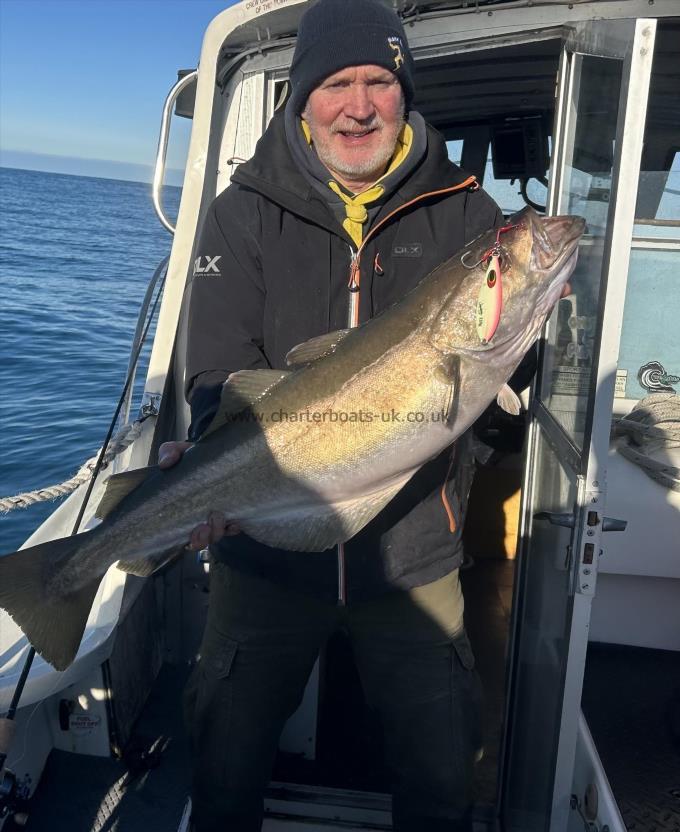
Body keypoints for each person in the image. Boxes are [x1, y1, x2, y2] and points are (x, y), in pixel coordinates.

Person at [160, 1, 506, 829]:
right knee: (226, 757)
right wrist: (210, 468)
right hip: (265, 555)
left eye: (379, 82)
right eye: (337, 83)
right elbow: (214, 375)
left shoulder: (468, 218)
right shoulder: (241, 212)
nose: (358, 106)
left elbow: (491, 382)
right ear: (303, 99)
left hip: (413, 555)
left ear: (404, 91)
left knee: (441, 771)